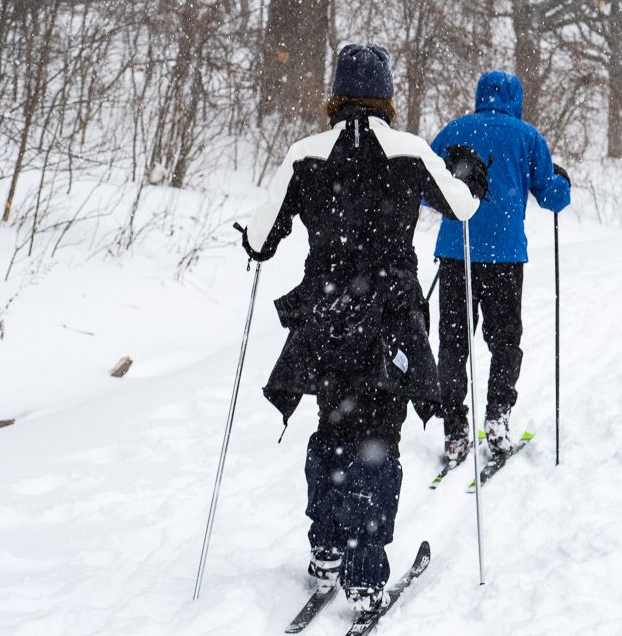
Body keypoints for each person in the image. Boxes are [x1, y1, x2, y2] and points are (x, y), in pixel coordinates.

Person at [239, 44, 484, 612]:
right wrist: (469, 172)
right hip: (391, 320)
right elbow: (463, 208)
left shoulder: (305, 155)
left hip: (326, 319)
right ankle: (366, 575)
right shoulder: (408, 151)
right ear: (387, 95)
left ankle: (326, 551)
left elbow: (260, 239)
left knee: (331, 431)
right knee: (377, 440)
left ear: (337, 94)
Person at [426, 70, 571, 463]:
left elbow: (425, 190)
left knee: (453, 343)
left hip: (457, 252)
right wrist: (561, 181)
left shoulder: (454, 130)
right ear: (516, 99)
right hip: (504, 258)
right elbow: (551, 198)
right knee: (505, 341)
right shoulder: (528, 137)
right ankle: (497, 418)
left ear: (479, 96)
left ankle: (455, 430)